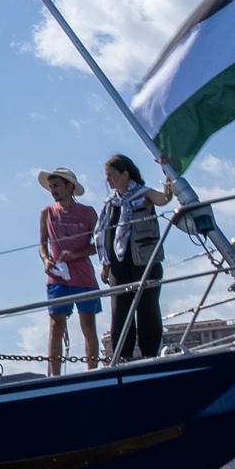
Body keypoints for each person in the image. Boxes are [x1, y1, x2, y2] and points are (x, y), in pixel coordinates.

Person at [97, 154, 174, 363]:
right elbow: (105, 234)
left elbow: (165, 198)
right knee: (120, 310)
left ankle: (151, 354)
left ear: (125, 174)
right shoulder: (111, 203)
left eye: (111, 175)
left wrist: (168, 173)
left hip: (145, 260)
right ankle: (123, 356)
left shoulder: (144, 194)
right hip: (118, 263)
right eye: (106, 176)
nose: (108, 180)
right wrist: (105, 264)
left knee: (147, 307)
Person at [37, 167, 101, 376]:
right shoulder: (47, 212)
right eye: (51, 186)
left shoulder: (88, 212)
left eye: (57, 185)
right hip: (57, 276)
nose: (53, 189)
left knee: (88, 325)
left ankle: (93, 372)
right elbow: (41, 244)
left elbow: (100, 244)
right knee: (56, 326)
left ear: (69, 187)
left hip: (84, 275)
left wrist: (76, 254)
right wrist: (46, 260)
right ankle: (54, 376)